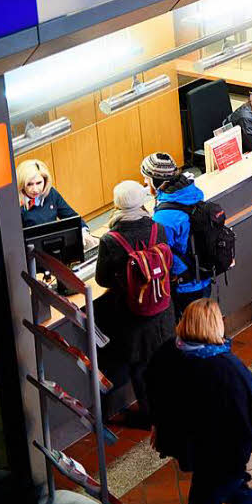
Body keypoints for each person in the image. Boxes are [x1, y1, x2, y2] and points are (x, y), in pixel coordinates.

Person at [146, 299, 252, 504]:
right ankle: (249, 503)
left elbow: (153, 389)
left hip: (190, 441)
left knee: (216, 484)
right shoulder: (228, 368)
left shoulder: (169, 352)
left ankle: (249, 503)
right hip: (221, 447)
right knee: (205, 503)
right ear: (214, 326)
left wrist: (156, 422)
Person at [95, 181, 175, 429]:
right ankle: (172, 407)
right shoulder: (156, 228)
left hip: (132, 316)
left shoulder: (111, 239)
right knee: (165, 361)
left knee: (140, 368)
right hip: (162, 309)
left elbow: (102, 278)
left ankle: (150, 415)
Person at [141, 153, 212, 317]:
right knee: (204, 324)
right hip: (204, 274)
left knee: (191, 331)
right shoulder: (191, 193)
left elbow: (164, 253)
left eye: (147, 178)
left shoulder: (164, 217)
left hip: (186, 284)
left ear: (157, 181)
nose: (145, 182)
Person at [16, 158, 90, 237]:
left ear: (45, 180)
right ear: (22, 185)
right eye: (29, 184)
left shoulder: (51, 193)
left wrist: (83, 232)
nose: (35, 189)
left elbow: (72, 217)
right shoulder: (16, 205)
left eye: (39, 183)